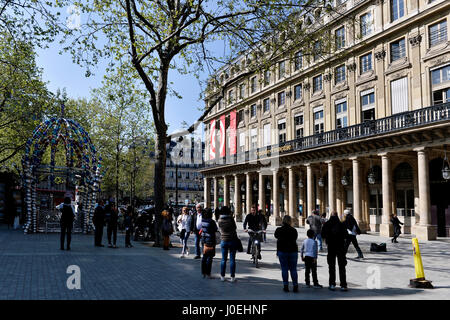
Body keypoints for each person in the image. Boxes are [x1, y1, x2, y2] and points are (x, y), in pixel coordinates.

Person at [321, 211, 348, 291]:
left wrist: (327, 239)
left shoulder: (327, 224)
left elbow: (323, 234)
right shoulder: (341, 224)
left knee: (331, 266)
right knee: (342, 266)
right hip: (340, 247)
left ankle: (332, 284)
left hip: (331, 247)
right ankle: (343, 285)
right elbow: (346, 235)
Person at [274, 215, 299, 292]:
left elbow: (276, 236)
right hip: (293, 251)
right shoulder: (294, 230)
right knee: (293, 269)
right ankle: (295, 286)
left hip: (282, 251)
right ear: (290, 221)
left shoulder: (279, 230)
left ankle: (286, 286)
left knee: (284, 269)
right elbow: (295, 238)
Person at [218, 206, 238, 282]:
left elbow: (220, 228)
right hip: (232, 240)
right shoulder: (230, 219)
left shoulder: (219, 220)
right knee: (232, 259)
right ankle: (232, 277)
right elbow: (235, 227)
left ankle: (222, 276)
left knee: (223, 259)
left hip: (223, 240)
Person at [200, 208, 218, 279]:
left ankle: (203, 272)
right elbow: (215, 229)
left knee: (204, 256)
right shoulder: (211, 221)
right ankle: (208, 273)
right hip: (210, 240)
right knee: (210, 257)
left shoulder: (202, 220)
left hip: (204, 240)